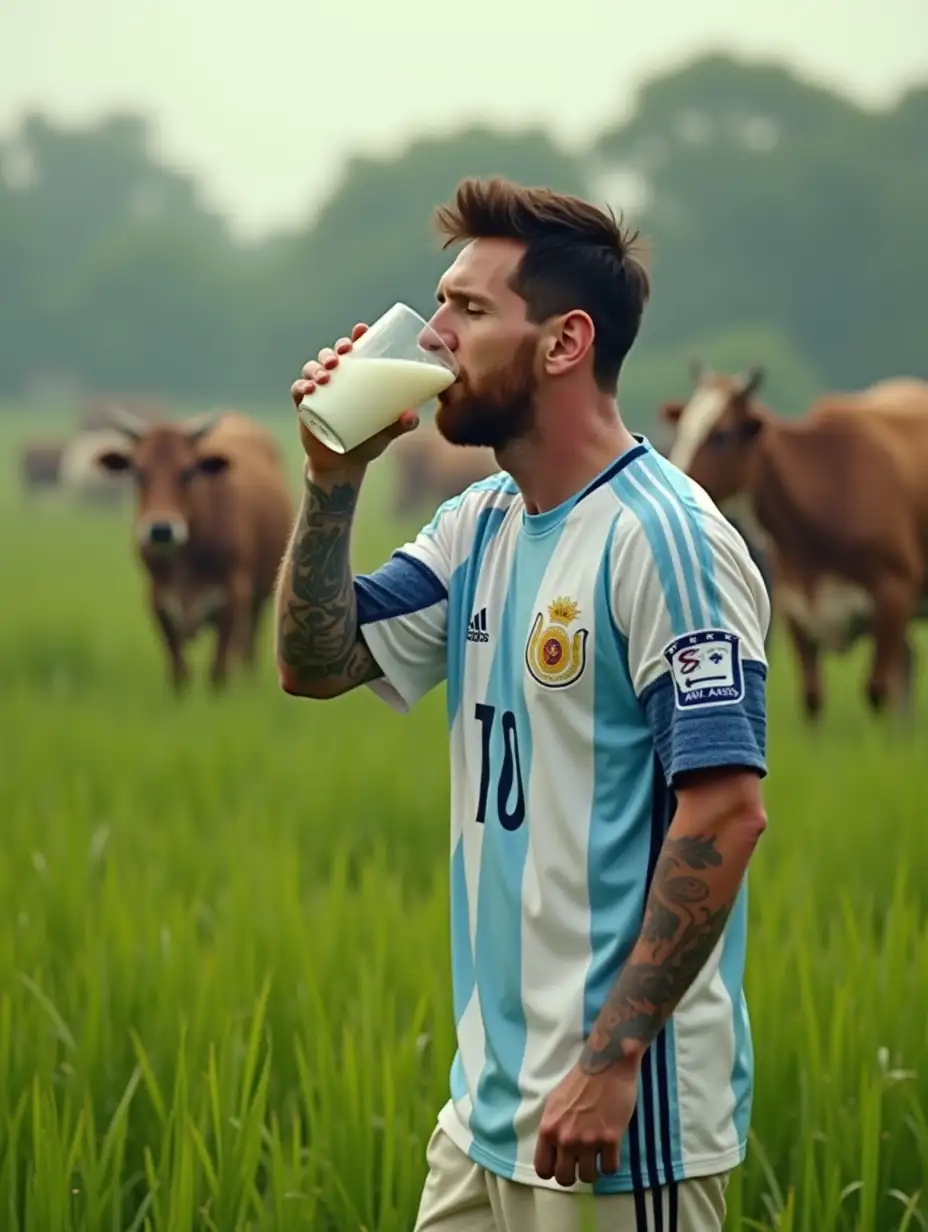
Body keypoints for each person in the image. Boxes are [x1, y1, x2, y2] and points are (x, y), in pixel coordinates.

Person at [274, 176, 771, 1232]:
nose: (436, 333)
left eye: (469, 308)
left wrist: (611, 1061)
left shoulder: (665, 543)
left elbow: (725, 811)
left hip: (615, 1131)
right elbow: (315, 662)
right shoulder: (479, 523)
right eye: (439, 304)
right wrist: (331, 478)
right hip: (482, 1114)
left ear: (562, 343)